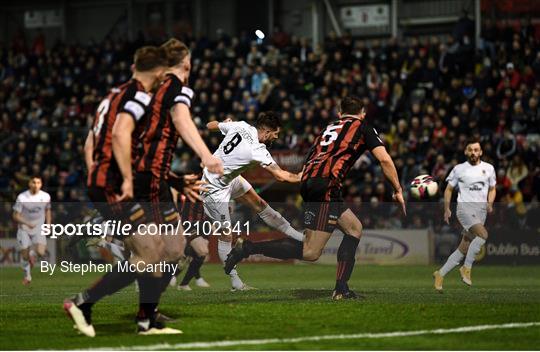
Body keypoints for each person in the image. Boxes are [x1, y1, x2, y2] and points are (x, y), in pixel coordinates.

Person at [224, 96, 406, 299]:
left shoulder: (328, 128)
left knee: (354, 228)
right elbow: (384, 159)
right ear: (362, 114)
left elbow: (312, 155)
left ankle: (341, 288)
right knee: (311, 252)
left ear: (339, 113)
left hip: (315, 181)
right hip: (325, 185)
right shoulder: (362, 126)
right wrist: (397, 189)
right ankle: (247, 248)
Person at [64, 45, 180, 337]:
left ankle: (145, 322)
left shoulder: (113, 95)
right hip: (114, 185)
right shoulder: (138, 96)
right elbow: (119, 134)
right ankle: (84, 303)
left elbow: (90, 142)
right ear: (157, 72)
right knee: (148, 253)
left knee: (151, 251)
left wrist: (96, 172)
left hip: (104, 182)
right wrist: (124, 179)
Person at [129, 38, 223, 332]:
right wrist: (206, 156)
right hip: (148, 178)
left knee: (172, 248)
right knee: (161, 250)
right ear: (187, 63)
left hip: (154, 176)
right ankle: (126, 305)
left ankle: (147, 308)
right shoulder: (176, 87)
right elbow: (182, 120)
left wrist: (174, 179)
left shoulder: (154, 89)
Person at [199, 112, 303, 291]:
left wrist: (223, 123)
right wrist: (303, 176)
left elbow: (210, 125)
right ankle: (235, 282)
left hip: (228, 179)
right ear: (266, 131)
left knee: (260, 204)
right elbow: (281, 176)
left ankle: (299, 237)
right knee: (226, 235)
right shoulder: (258, 149)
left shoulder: (240, 125)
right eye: (275, 134)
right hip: (213, 189)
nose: (276, 138)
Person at [434, 140, 496, 291]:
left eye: (476, 150)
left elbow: (493, 188)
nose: (473, 152)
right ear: (466, 152)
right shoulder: (459, 169)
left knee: (464, 247)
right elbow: (448, 189)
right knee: (483, 235)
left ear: (481, 152)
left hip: (480, 211)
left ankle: (440, 274)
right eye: (470, 150)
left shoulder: (489, 168)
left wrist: (490, 203)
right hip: (464, 209)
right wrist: (447, 208)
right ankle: (466, 268)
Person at [12, 176, 51, 285]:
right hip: (24, 229)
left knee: (41, 252)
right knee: (24, 255)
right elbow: (15, 215)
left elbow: (48, 210)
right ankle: (27, 276)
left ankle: (32, 255)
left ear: (41, 184)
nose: (36, 184)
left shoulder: (46, 196)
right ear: (29, 184)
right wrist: (27, 223)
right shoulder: (22, 197)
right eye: (34, 182)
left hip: (39, 228)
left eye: (38, 182)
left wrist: (48, 224)